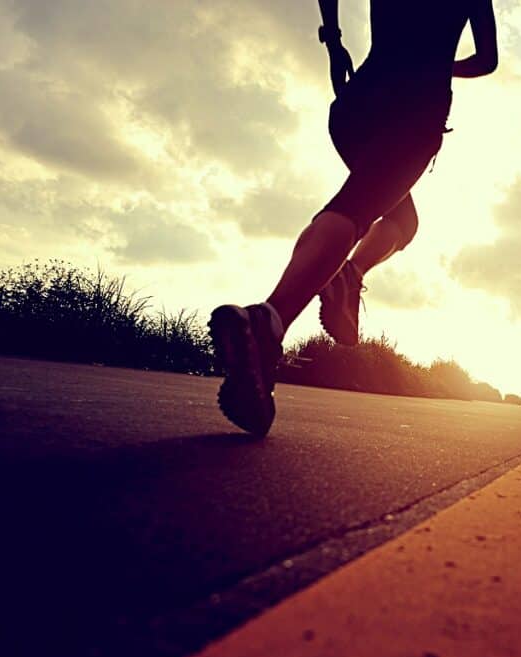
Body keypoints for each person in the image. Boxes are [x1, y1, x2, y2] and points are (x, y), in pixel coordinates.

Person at [209, 0, 499, 435]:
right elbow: (487, 60)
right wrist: (441, 66)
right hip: (416, 111)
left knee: (401, 219)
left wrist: (334, 39)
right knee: (359, 207)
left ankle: (349, 274)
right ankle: (267, 321)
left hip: (357, 102)